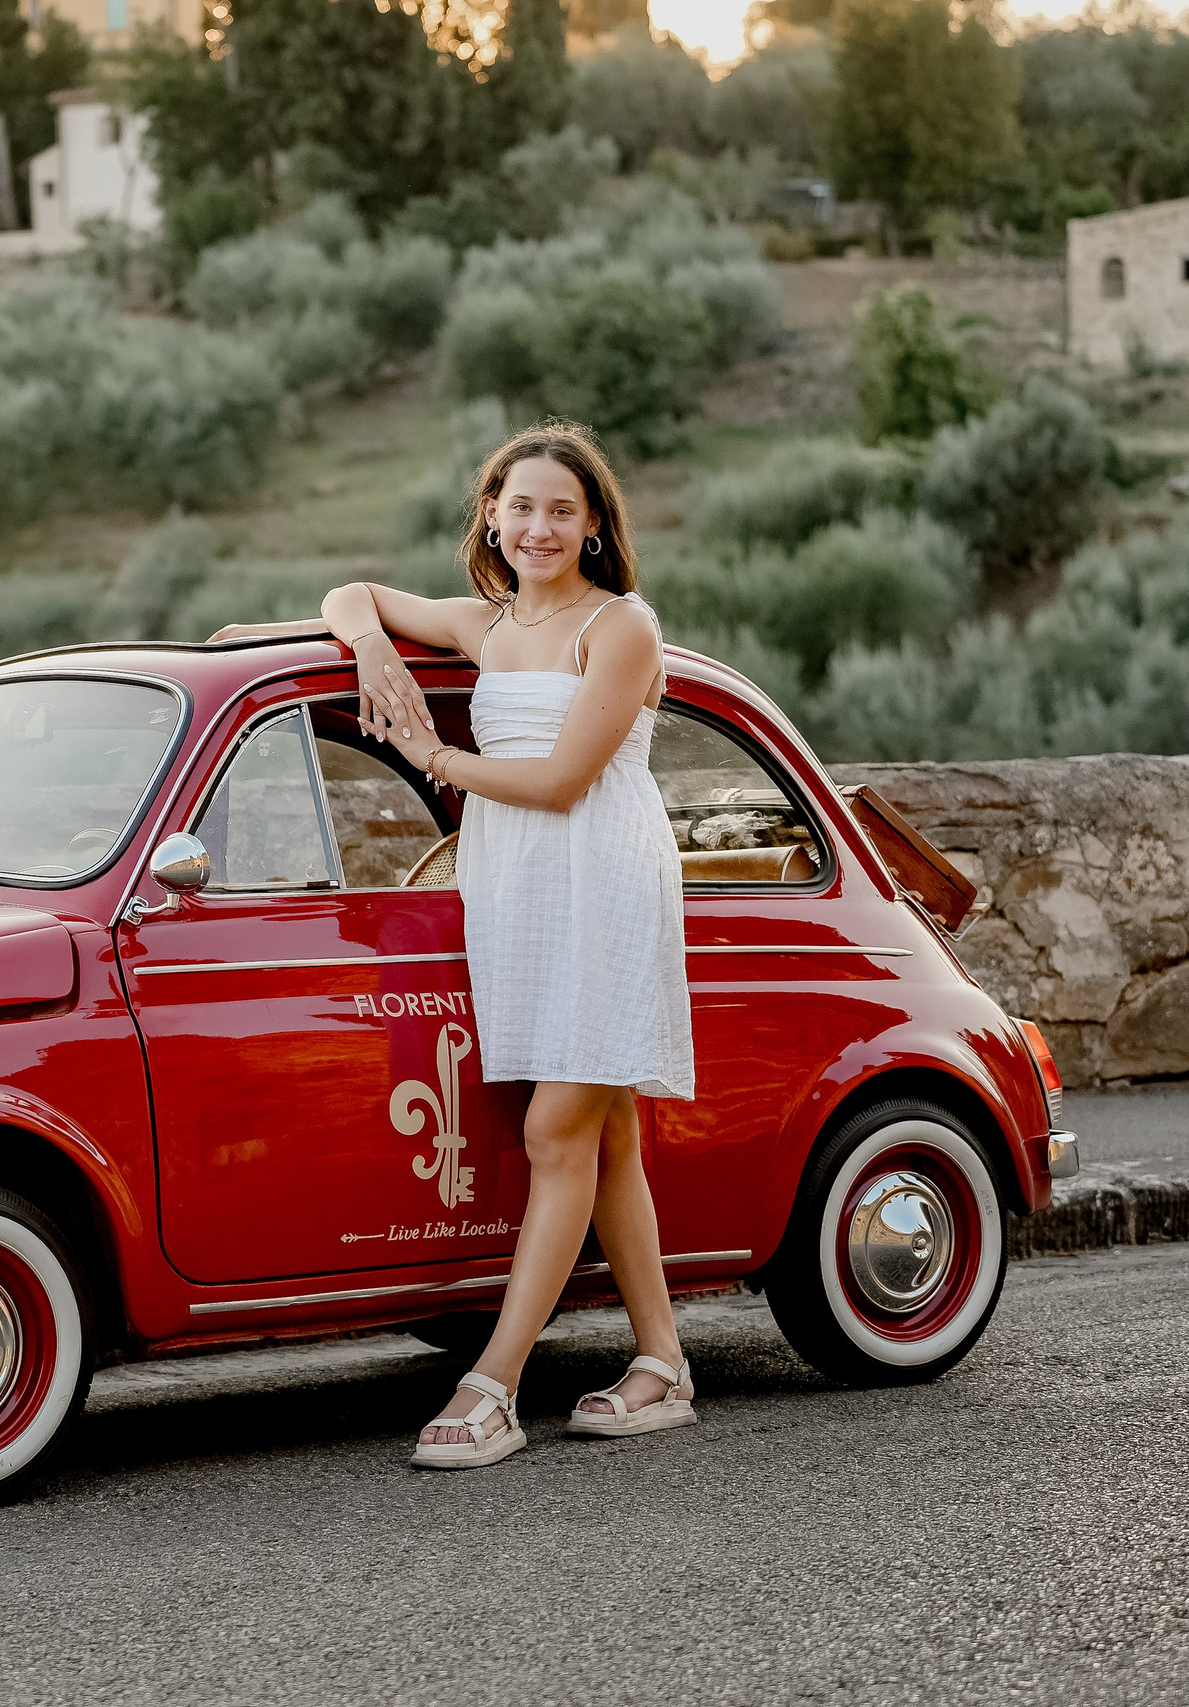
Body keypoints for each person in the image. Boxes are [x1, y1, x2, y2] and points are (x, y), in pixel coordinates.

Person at [211, 420, 696, 1470]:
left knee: (558, 1134)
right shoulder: (488, 625)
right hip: (516, 886)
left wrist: (435, 753)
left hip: (600, 880)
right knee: (603, 1136)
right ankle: (662, 1363)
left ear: (596, 526)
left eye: (561, 510)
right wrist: (374, 644)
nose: (538, 526)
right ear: (490, 513)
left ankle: (495, 1385)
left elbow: (565, 781)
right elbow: (354, 597)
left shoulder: (620, 628)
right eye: (519, 507)